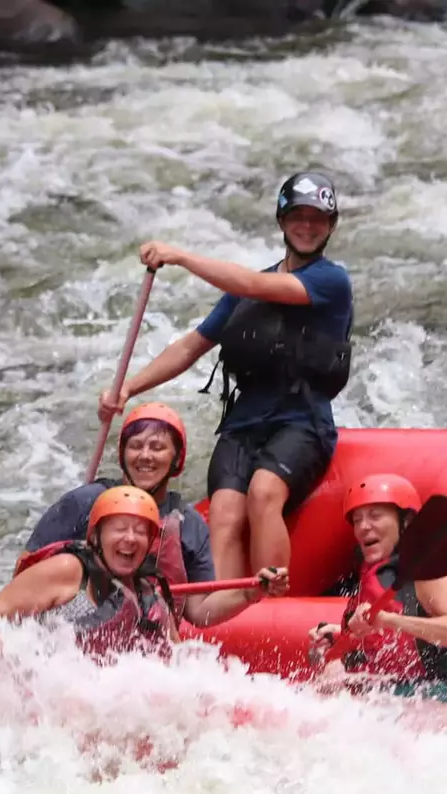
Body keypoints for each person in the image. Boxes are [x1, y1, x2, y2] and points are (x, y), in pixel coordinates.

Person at [97, 170, 354, 583]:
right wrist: (128, 387)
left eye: (318, 219)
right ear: (281, 221)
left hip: (302, 422)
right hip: (244, 423)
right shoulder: (241, 294)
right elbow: (189, 346)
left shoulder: (331, 281)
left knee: (264, 491)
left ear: (331, 225)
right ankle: (225, 610)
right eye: (298, 217)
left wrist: (181, 257)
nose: (307, 227)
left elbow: (255, 283)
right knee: (224, 510)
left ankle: (273, 605)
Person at [0, 487, 285, 662]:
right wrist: (9, 662)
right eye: (119, 529)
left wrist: (251, 593)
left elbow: (177, 660)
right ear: (97, 535)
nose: (130, 538)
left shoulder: (150, 594)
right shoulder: (69, 569)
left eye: (140, 532)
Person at [305, 474, 447, 717]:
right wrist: (340, 637)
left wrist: (389, 621)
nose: (363, 527)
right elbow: (396, 640)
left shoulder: (433, 567)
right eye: (357, 520)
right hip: (403, 693)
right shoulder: (379, 571)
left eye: (375, 516)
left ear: (407, 521)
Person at [19, 402, 211, 591]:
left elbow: (202, 610)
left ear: (177, 459)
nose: (145, 455)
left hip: (150, 619)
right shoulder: (86, 500)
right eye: (135, 446)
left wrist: (241, 595)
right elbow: (24, 569)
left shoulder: (188, 522)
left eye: (157, 448)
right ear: (122, 455)